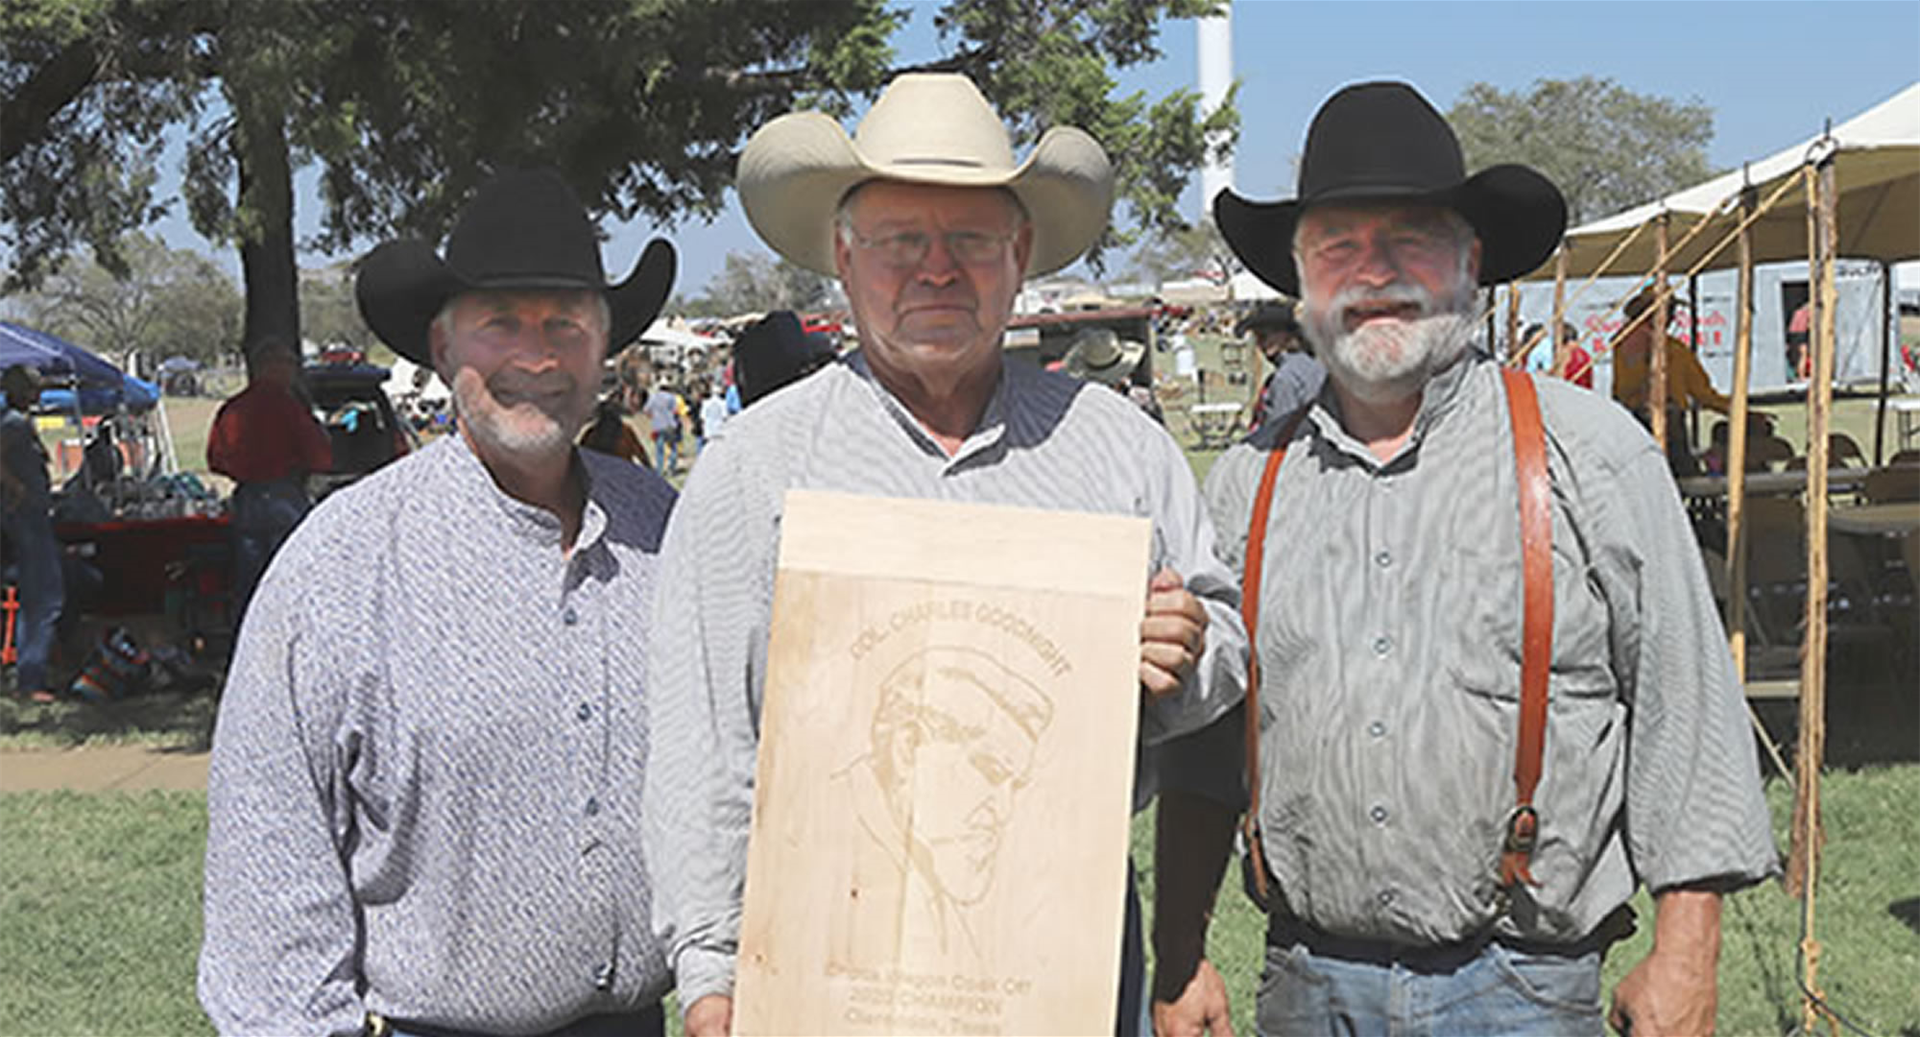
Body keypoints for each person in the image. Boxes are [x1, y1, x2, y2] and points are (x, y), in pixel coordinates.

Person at [640, 73, 1246, 1037]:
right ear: (843, 257)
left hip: (1067, 955)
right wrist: (712, 969)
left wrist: (1191, 648)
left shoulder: (1120, 448)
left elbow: (1223, 666)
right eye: (897, 242)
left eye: (969, 239)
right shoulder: (754, 468)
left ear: (1020, 255)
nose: (935, 270)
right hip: (822, 956)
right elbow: (704, 739)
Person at [1202, 81, 1777, 1036]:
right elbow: (1204, 748)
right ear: (1301, 284)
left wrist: (1686, 950)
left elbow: (1689, 709)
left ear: (1470, 264)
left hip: (1523, 984)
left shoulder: (1588, 455)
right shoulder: (1246, 482)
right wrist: (1181, 950)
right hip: (1306, 978)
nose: (1374, 273)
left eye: (1411, 241)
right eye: (1338, 247)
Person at [198, 169, 681, 1037]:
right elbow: (271, 867)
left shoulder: (663, 526)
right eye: (501, 322)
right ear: (443, 346)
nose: (537, 355)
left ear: (603, 350)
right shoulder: (340, 564)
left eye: (566, 324)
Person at [205, 339, 333, 623]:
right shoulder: (289, 408)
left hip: (248, 499)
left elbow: (215, 458)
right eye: (288, 365)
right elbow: (319, 455)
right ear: (272, 367)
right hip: (284, 496)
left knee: (250, 585)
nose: (291, 372)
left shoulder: (235, 408)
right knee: (292, 579)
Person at [0, 365, 64, 702]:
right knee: (44, 597)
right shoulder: (12, 425)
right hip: (26, 520)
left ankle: (33, 673)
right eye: (35, 388)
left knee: (39, 595)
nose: (39, 394)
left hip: (29, 518)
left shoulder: (15, 422)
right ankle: (31, 678)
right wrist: (17, 488)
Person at [1237, 301, 1325, 430]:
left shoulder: (1286, 378)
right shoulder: (1316, 366)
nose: (1261, 343)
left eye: (1265, 336)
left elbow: (1279, 432)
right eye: (1257, 337)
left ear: (1285, 334)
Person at [579, 394, 651, 465]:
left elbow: (580, 453)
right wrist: (650, 470)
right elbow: (641, 454)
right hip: (621, 471)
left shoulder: (591, 433)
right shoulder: (626, 431)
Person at [642, 378, 686, 473]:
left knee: (659, 450)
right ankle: (672, 468)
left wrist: (653, 417)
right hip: (670, 425)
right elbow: (675, 411)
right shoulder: (671, 397)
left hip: (657, 426)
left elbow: (646, 410)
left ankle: (659, 470)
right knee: (673, 448)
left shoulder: (653, 397)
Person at [698, 379, 730, 445]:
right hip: (720, 430)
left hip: (709, 431)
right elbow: (725, 416)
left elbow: (702, 417)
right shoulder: (723, 403)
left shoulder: (706, 403)